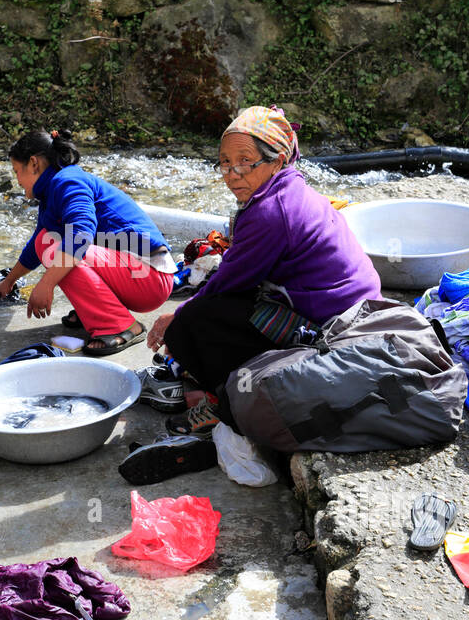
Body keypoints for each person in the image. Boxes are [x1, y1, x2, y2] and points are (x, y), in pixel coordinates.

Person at [146, 106, 382, 433]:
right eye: (225, 162)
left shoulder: (272, 211)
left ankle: (224, 405)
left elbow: (226, 285)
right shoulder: (289, 188)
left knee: (192, 321)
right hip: (354, 311)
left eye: (245, 160)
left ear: (277, 160)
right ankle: (221, 387)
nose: (233, 173)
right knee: (209, 310)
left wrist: (175, 318)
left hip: (335, 331)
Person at [0, 129, 175, 355]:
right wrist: (8, 282)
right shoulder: (53, 188)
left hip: (149, 276)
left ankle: (122, 327)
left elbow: (81, 234)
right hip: (138, 272)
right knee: (45, 242)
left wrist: (46, 284)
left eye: (17, 171)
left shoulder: (68, 182)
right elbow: (36, 245)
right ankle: (95, 311)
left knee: (53, 245)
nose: (17, 179)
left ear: (34, 163)